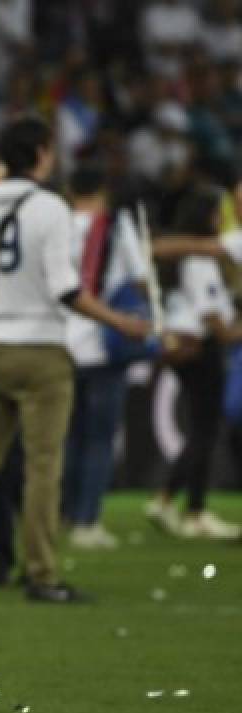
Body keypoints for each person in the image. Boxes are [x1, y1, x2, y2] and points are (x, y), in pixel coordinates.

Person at [0, 116, 150, 603]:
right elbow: (66, 289)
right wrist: (120, 322)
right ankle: (41, 573)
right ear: (40, 152)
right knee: (42, 465)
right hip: (42, 350)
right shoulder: (50, 208)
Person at [61, 162, 152, 550]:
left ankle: (62, 514)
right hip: (103, 342)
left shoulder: (56, 223)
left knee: (65, 437)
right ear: (103, 191)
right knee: (98, 438)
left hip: (59, 344)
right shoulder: (115, 225)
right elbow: (140, 278)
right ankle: (87, 521)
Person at [145, 187, 242, 540]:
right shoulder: (200, 262)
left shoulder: (193, 258)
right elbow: (216, 322)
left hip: (187, 343)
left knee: (202, 429)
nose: (222, 219)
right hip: (199, 347)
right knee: (204, 430)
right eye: (218, 212)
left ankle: (172, 500)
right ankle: (191, 509)